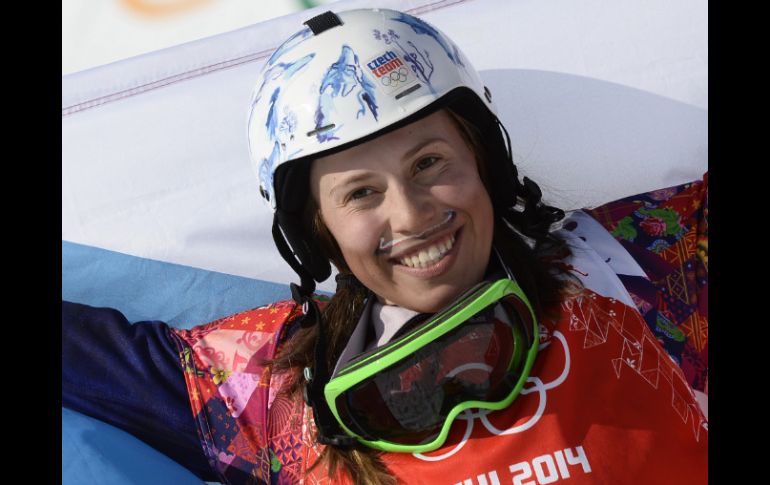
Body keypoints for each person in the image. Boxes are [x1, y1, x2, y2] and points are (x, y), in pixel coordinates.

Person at [63, 8, 708, 484]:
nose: (411, 214)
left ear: (485, 161)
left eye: (429, 163)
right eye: (361, 193)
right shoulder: (268, 391)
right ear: (317, 231)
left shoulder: (644, 266)